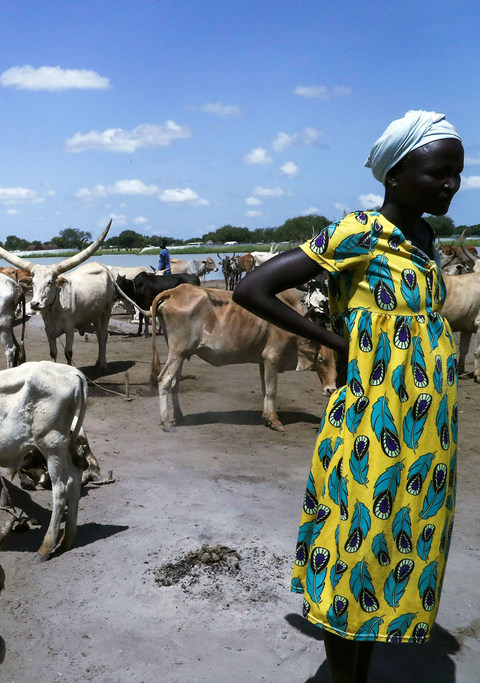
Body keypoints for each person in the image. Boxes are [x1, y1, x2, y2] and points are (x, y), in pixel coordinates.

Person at [234, 111, 463, 683]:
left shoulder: (425, 239)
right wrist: (336, 340)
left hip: (428, 431)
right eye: (440, 173)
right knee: (355, 553)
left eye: (458, 174)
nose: (452, 185)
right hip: (370, 422)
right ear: (395, 174)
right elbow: (251, 288)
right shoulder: (358, 232)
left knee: (401, 547)